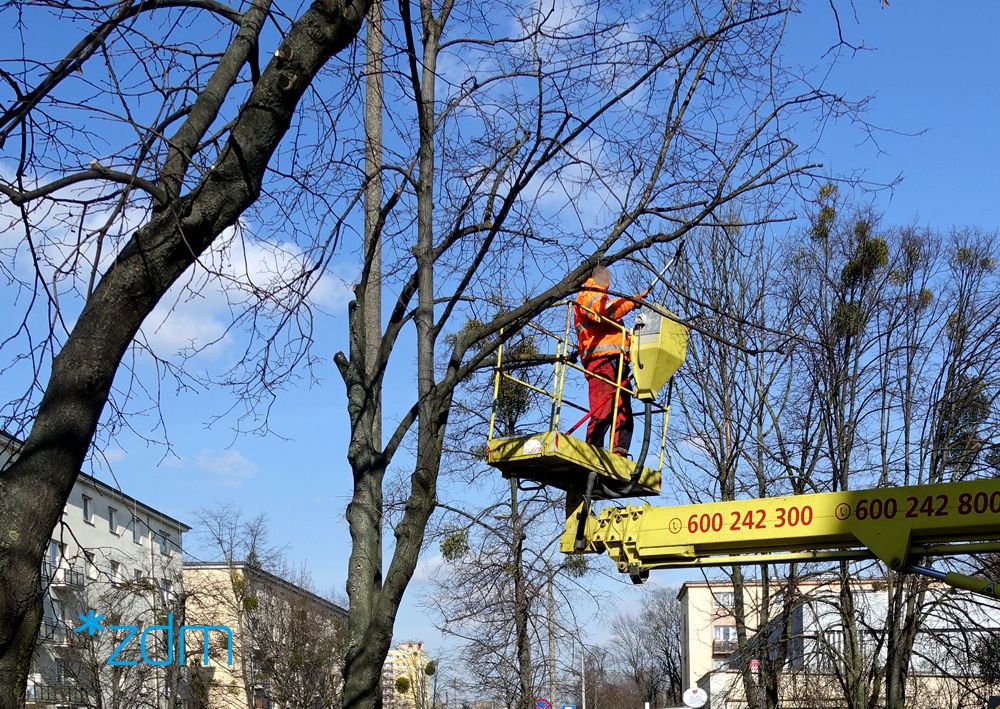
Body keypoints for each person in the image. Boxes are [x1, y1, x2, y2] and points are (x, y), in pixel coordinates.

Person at [573, 265, 648, 455]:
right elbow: (601, 311)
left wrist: (633, 301)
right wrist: (630, 303)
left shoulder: (601, 299)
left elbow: (612, 308)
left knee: (623, 411)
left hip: (618, 364)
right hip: (601, 362)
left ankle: (619, 454)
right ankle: (592, 450)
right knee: (603, 410)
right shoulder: (587, 296)